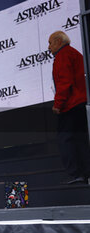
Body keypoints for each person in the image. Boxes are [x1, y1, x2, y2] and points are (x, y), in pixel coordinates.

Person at [48, 31, 90, 184]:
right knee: (81, 139)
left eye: (51, 43)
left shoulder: (63, 55)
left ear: (59, 41)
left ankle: (76, 173)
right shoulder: (74, 53)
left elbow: (64, 82)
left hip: (70, 105)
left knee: (65, 139)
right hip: (80, 103)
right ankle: (85, 173)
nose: (49, 47)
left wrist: (58, 104)